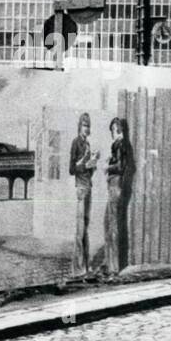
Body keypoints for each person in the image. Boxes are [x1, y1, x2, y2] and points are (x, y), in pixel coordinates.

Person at [103, 117, 135, 277]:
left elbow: (121, 167)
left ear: (116, 130)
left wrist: (107, 166)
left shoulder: (120, 144)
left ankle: (113, 267)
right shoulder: (122, 145)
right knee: (109, 222)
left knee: (112, 224)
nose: (112, 135)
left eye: (112, 131)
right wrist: (112, 159)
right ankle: (110, 264)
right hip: (116, 186)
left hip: (115, 185)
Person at [69, 112, 99, 277]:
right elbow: (71, 169)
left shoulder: (87, 144)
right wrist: (85, 165)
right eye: (84, 125)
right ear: (79, 126)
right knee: (80, 228)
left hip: (88, 185)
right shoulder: (76, 142)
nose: (87, 128)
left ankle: (85, 266)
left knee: (85, 227)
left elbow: (88, 170)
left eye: (88, 126)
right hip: (80, 187)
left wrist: (93, 162)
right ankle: (78, 268)